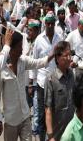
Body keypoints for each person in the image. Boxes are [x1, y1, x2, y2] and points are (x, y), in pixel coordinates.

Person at [0, 30, 54, 141]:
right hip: (10, 121)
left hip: (25, 117)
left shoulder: (23, 61)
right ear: (11, 49)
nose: (22, 49)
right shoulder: (1, 68)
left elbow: (39, 63)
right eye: (19, 47)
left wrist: (53, 54)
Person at [31, 12, 63, 141]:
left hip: (56, 82)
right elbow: (34, 61)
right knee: (41, 113)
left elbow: (62, 58)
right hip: (41, 83)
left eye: (52, 23)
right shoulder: (39, 39)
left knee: (54, 111)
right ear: (45, 24)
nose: (50, 25)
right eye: (47, 23)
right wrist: (31, 83)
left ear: (54, 24)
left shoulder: (59, 38)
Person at [45, 41, 75, 141]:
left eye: (70, 55)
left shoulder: (71, 74)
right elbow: (48, 109)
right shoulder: (51, 79)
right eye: (66, 55)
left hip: (71, 131)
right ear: (57, 58)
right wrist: (50, 136)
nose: (69, 58)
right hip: (57, 133)